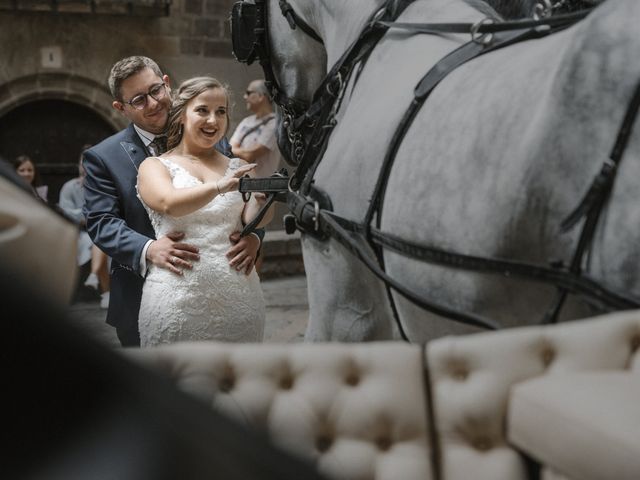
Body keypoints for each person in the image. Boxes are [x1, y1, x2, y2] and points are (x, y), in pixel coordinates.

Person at [83, 56, 263, 347]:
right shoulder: (104, 157)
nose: (153, 103)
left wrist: (254, 235)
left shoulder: (213, 138)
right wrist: (148, 249)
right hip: (151, 295)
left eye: (156, 90)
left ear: (167, 84)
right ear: (121, 108)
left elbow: (241, 200)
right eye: (139, 99)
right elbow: (102, 222)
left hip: (228, 295)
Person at [136, 76, 274, 346]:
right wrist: (219, 187)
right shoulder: (154, 166)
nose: (213, 120)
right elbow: (168, 202)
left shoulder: (239, 165)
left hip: (239, 300)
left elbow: (252, 220)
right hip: (176, 300)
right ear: (181, 116)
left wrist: (262, 200)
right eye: (202, 110)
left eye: (220, 112)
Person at [58, 144, 111, 309]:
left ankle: (96, 278)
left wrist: (86, 216)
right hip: (77, 232)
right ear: (79, 165)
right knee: (97, 239)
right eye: (84, 162)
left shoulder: (104, 186)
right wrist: (88, 216)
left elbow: (109, 211)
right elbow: (67, 212)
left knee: (99, 239)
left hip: (102, 231)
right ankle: (103, 289)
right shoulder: (69, 187)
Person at [229, 79, 282, 179]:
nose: (245, 97)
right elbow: (229, 149)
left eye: (249, 93)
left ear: (261, 96)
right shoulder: (246, 121)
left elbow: (249, 155)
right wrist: (240, 151)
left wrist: (237, 151)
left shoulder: (275, 123)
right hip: (240, 183)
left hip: (261, 187)